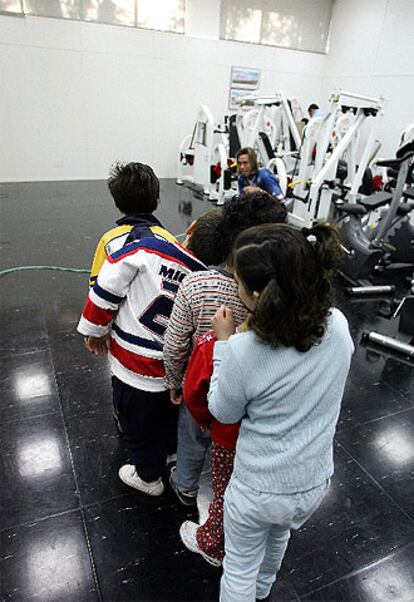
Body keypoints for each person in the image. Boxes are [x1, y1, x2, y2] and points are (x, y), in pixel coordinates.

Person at [206, 223, 354, 601]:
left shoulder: (243, 350)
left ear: (257, 295)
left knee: (237, 566)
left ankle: (248, 590)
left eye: (237, 281)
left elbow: (222, 411)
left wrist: (223, 345)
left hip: (258, 488)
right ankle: (263, 589)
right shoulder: (337, 325)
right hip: (311, 482)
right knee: (279, 535)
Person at [77, 211, 222, 496]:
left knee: (136, 428)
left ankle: (148, 477)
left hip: (133, 370)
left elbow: (105, 288)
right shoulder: (207, 281)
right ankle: (170, 456)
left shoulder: (146, 248)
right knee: (168, 420)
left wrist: (94, 330)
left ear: (190, 229)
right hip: (174, 375)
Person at [163, 192, 287, 506]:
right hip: (250, 398)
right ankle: (228, 497)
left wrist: (174, 382)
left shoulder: (194, 285)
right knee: (230, 449)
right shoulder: (283, 298)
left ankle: (186, 484)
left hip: (200, 389)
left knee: (191, 438)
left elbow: (175, 343)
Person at [88, 161, 176, 287]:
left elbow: (96, 285)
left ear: (118, 206)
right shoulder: (169, 240)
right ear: (157, 203)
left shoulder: (108, 240)